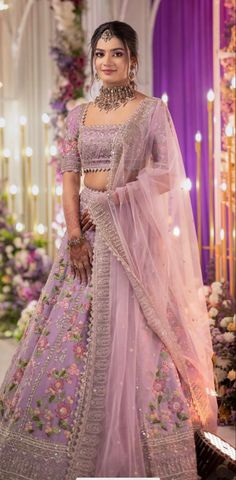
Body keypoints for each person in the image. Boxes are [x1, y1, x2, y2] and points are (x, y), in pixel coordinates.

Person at [0, 21, 217, 480]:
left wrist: (119, 197)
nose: (106, 62)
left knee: (140, 332)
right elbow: (68, 180)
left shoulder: (151, 111)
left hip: (131, 237)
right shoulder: (77, 115)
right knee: (68, 332)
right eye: (100, 53)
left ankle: (148, 442)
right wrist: (75, 235)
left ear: (133, 60)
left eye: (116, 53)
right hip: (86, 239)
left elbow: (165, 173)